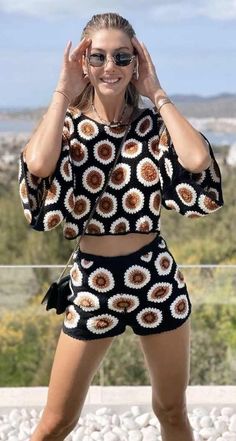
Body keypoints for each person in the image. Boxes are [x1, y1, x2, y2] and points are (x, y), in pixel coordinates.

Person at [18, 12, 223, 441]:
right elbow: (37, 165)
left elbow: (197, 161)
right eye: (98, 56)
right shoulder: (68, 127)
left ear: (136, 63)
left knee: (171, 410)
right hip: (92, 282)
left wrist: (157, 92)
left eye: (121, 57)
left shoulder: (151, 126)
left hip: (155, 278)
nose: (109, 66)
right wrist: (63, 90)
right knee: (56, 422)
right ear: (83, 62)